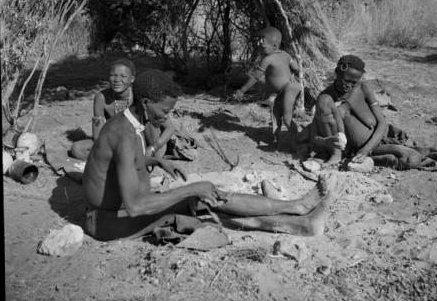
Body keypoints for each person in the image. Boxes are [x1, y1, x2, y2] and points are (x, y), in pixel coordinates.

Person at [82, 69, 338, 241]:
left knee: (209, 195)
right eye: (165, 110)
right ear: (146, 102)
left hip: (121, 210)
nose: (168, 117)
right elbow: (136, 206)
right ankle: (301, 223)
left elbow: (120, 164)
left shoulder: (132, 124)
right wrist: (191, 189)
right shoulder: (124, 134)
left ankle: (296, 207)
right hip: (107, 222)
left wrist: (157, 160)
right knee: (201, 205)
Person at [312, 55, 421, 170]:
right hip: (353, 149)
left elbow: (382, 122)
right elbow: (315, 135)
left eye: (353, 82)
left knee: (413, 159)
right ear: (337, 72)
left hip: (375, 142)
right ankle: (348, 157)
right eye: (346, 80)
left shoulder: (362, 88)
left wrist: (366, 149)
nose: (349, 85)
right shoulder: (325, 100)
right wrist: (327, 142)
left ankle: (373, 158)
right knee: (338, 109)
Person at [70, 59, 175, 161]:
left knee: (150, 125)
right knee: (77, 149)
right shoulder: (101, 98)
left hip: (144, 142)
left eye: (123, 76)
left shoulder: (140, 95)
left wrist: (154, 147)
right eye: (113, 75)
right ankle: (120, 160)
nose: (117, 80)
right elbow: (97, 135)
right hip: (116, 141)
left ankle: (128, 160)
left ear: (132, 79)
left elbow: (169, 128)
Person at [232, 27, 302, 145]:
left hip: (290, 88)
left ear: (274, 46)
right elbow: (296, 68)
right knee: (275, 113)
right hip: (283, 91)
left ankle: (298, 141)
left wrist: (242, 90)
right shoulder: (286, 55)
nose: (260, 46)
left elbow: (255, 77)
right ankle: (276, 138)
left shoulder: (267, 59)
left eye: (263, 46)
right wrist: (298, 63)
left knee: (286, 117)